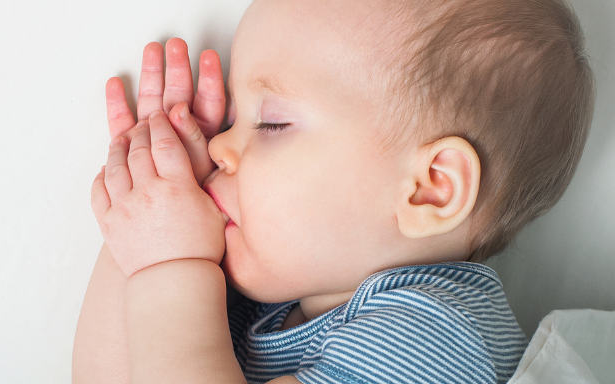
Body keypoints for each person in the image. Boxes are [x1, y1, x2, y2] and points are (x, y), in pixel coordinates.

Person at [72, 0, 595, 383]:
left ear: (430, 189)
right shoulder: (278, 293)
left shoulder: (430, 341)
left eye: (271, 122)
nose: (219, 150)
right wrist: (148, 223)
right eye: (233, 117)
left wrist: (172, 269)